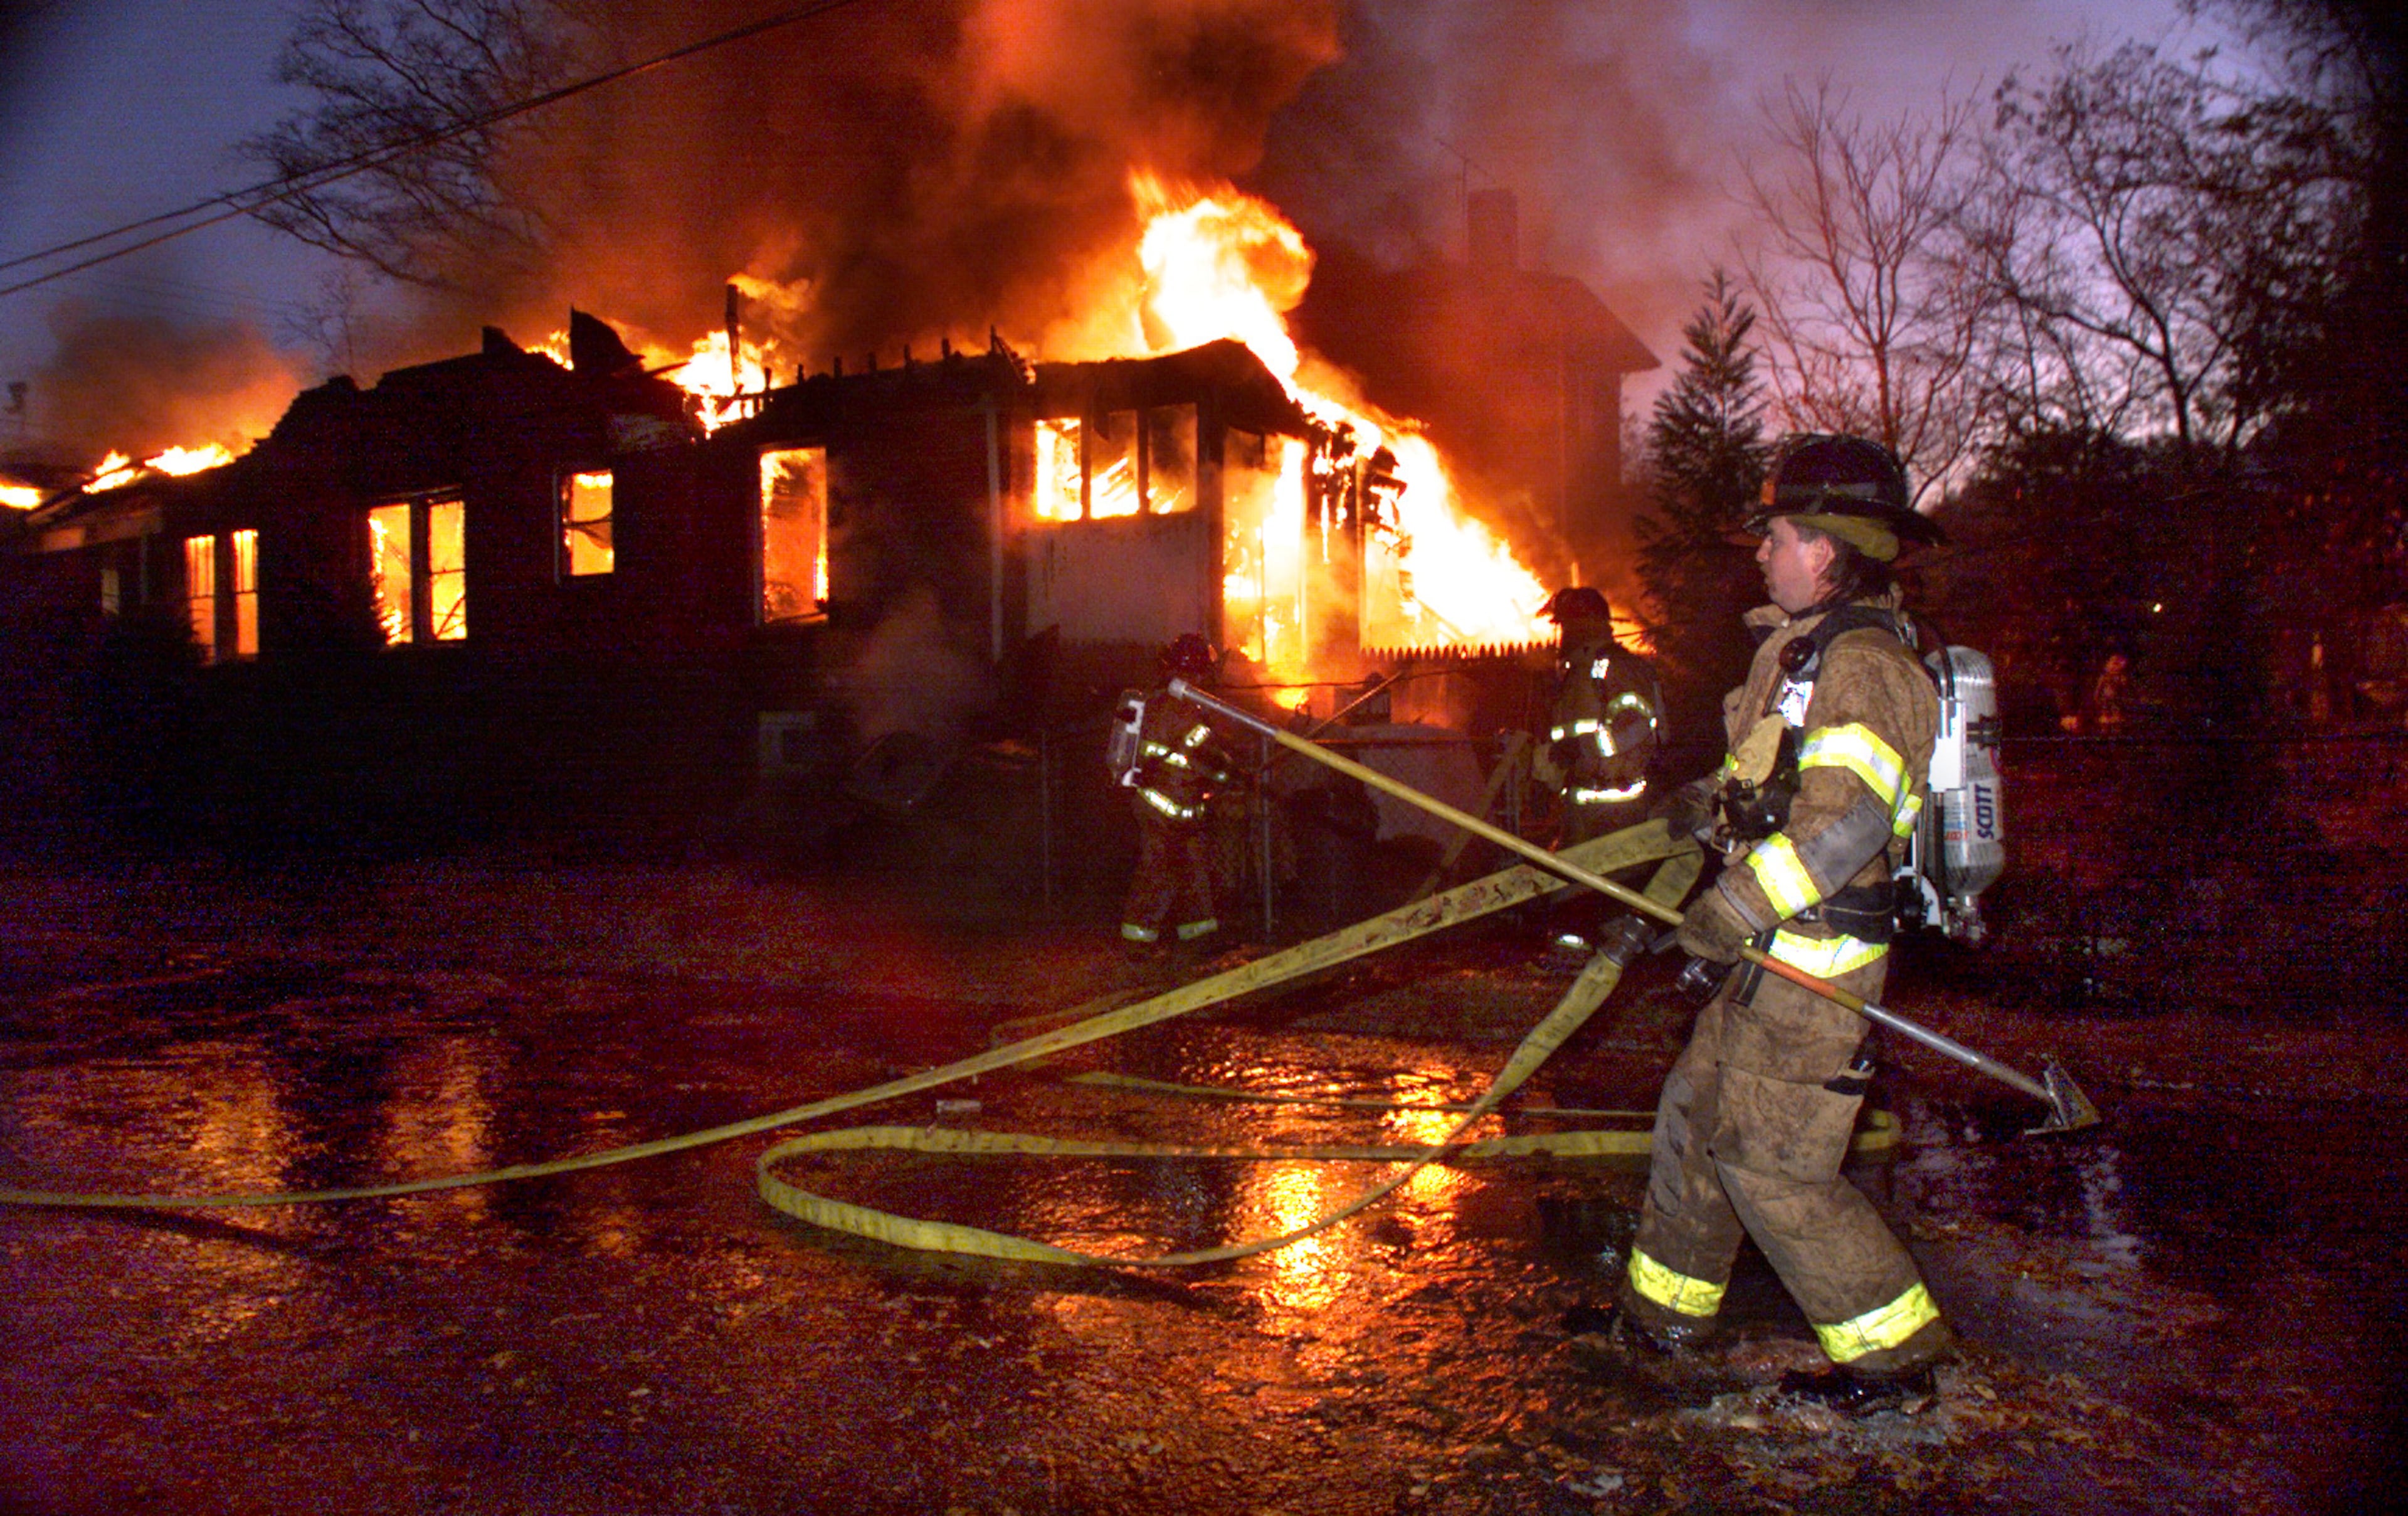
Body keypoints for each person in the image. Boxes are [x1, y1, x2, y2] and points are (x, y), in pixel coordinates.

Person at [1605, 435, 1953, 1407]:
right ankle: (1663, 1321)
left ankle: (1898, 1366)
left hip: (1813, 972)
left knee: (1777, 1171)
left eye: (1778, 535)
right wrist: (1702, 805)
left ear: (1829, 551)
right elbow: (1773, 779)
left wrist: (1727, 910)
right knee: (1696, 1123)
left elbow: (1846, 824)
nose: (1761, 551)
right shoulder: (1798, 653)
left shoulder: (1866, 666)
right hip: (1762, 964)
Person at [1534, 587, 1661, 960]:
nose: (1562, 633)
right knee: (1578, 883)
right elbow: (1564, 739)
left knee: (1610, 884)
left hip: (1616, 802)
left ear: (1586, 623)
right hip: (1582, 802)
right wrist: (1548, 779)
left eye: (1567, 624)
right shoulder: (1576, 675)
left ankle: (1613, 957)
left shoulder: (1615, 669)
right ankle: (1581, 954)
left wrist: (1587, 749)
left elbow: (1638, 727)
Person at [1118, 633, 1238, 950]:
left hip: (1173, 803)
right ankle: (1137, 945)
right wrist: (1232, 772)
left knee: (1192, 871)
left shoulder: (1164, 702)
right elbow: (1205, 755)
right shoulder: (1183, 708)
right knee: (1158, 871)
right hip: (1164, 806)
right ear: (1198, 670)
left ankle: (1199, 937)